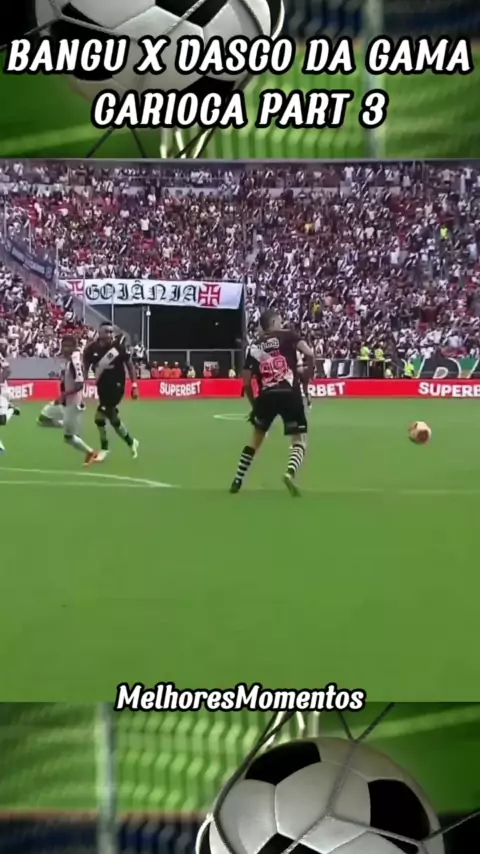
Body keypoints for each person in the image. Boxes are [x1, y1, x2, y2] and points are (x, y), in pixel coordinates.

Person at [229, 310, 314, 497]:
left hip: (266, 395)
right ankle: (289, 472)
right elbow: (310, 353)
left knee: (255, 440)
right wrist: (307, 383)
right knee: (299, 441)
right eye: (280, 321)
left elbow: (246, 382)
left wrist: (255, 406)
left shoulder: (255, 346)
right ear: (274, 322)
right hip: (290, 393)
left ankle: (237, 479)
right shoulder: (288, 336)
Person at [83, 322, 139, 461]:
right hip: (102, 387)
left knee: (104, 413)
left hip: (117, 386)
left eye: (111, 332)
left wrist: (134, 385)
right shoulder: (91, 349)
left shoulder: (118, 348)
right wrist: (82, 382)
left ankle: (105, 448)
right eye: (107, 332)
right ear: (100, 333)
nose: (110, 334)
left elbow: (130, 366)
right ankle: (131, 442)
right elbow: (86, 367)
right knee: (105, 419)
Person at [60, 335, 98, 464]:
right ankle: (90, 452)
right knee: (69, 435)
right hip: (71, 402)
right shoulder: (72, 360)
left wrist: (64, 394)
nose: (64, 349)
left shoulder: (74, 361)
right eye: (63, 346)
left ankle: (91, 453)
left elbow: (80, 384)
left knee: (69, 437)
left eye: (67, 346)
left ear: (73, 347)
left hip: (73, 403)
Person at [0, 346, 20, 453]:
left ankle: (11, 409)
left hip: (2, 391)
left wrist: (0, 382)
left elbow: (7, 369)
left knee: (2, 420)